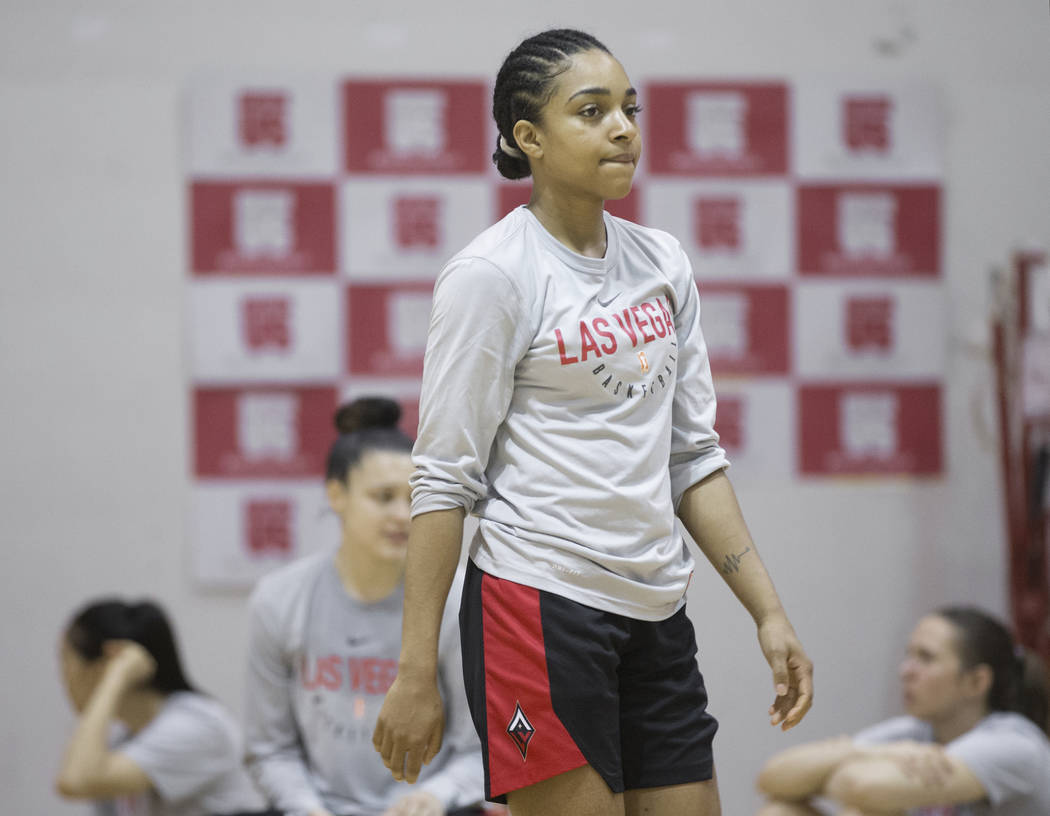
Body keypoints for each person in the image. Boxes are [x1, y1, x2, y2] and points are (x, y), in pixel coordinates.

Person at [372, 28, 814, 816]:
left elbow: (692, 456)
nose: (622, 128)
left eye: (628, 108)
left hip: (655, 609)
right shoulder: (491, 276)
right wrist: (414, 673)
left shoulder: (663, 263)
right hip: (538, 607)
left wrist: (768, 611)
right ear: (527, 138)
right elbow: (442, 480)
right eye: (591, 111)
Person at [243, 397, 485, 816]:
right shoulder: (279, 599)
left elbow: (478, 748)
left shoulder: (458, 600)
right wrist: (308, 808)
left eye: (414, 499)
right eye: (383, 496)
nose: (401, 515)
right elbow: (270, 750)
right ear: (337, 494)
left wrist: (435, 796)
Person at [755, 606, 1050, 815]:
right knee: (780, 812)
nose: (905, 671)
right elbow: (772, 776)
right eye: (908, 655)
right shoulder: (914, 733)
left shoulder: (1015, 745)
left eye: (926, 658)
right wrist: (877, 753)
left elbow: (860, 785)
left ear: (976, 681)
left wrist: (836, 771)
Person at [56, 597, 270, 816]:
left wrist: (114, 680)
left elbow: (75, 781)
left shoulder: (194, 726)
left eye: (66, 660)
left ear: (111, 660)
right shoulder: (123, 738)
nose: (63, 676)